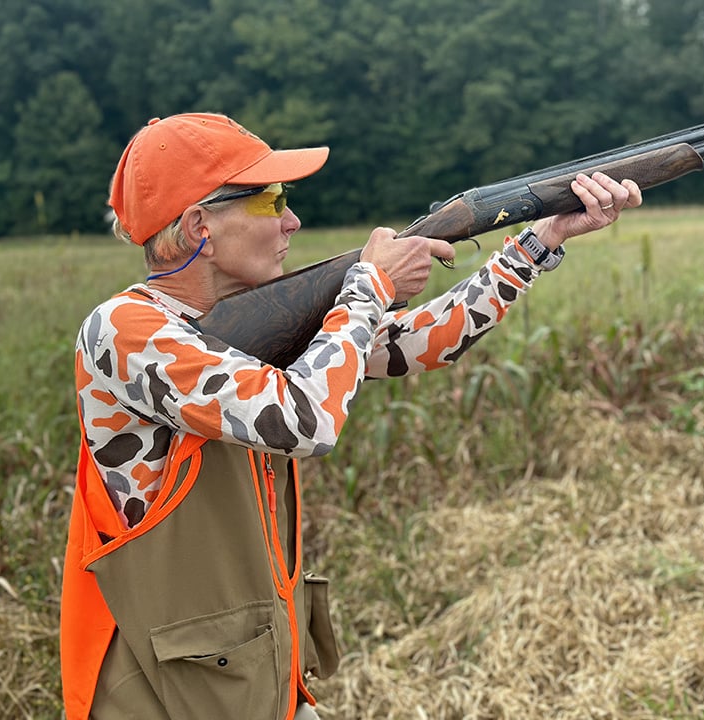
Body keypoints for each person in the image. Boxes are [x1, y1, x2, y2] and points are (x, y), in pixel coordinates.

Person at [59, 112, 642, 720]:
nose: (292, 221)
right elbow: (302, 420)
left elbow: (419, 343)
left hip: (248, 681)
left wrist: (540, 241)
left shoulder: (243, 325)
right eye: (270, 202)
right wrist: (367, 287)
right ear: (200, 226)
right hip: (161, 697)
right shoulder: (123, 331)